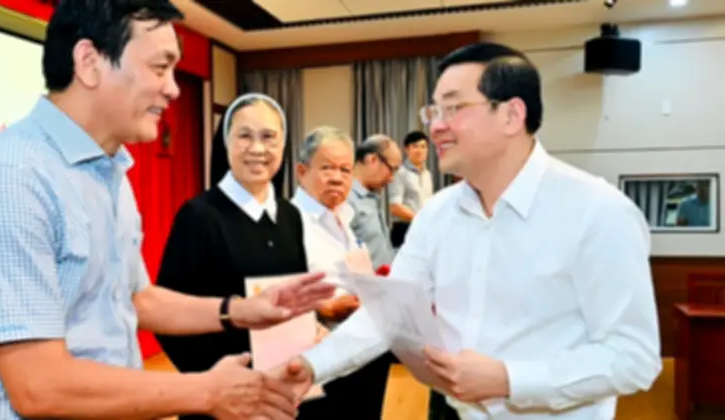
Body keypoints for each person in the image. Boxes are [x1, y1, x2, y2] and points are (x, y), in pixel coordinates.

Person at [0, 2, 331, 419]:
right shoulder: (5, 179)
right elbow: (38, 386)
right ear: (90, 62)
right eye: (160, 67)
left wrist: (241, 311)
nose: (173, 89)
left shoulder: (109, 174)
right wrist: (208, 392)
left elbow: (137, 299)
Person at [270, 42, 663, 420]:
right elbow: (388, 316)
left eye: (454, 108)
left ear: (511, 115)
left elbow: (633, 356)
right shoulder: (437, 215)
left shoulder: (597, 211)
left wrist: (509, 379)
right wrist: (311, 365)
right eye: (433, 111)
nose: (436, 127)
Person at [156, 92, 326, 420]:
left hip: (284, 391)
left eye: (268, 137)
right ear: (226, 143)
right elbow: (167, 315)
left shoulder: (290, 216)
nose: (257, 149)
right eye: (244, 136)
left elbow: (295, 297)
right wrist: (212, 386)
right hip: (223, 401)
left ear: (283, 144)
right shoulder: (199, 216)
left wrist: (312, 329)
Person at [290, 126, 390, 419]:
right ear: (301, 171)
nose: (337, 177)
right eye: (327, 168)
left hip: (363, 355)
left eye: (345, 170)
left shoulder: (345, 216)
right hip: (321, 363)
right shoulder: (289, 223)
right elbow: (276, 292)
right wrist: (326, 308)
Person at [348, 135, 403, 269]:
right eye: (392, 169)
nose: (391, 179)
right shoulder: (345, 200)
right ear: (372, 160)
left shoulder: (372, 198)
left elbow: (380, 251)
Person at [388, 130, 434, 248]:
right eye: (415, 146)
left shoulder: (428, 175)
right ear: (407, 149)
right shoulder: (399, 173)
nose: (420, 150)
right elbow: (395, 207)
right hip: (404, 230)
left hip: (424, 230)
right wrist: (420, 220)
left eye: (423, 147)